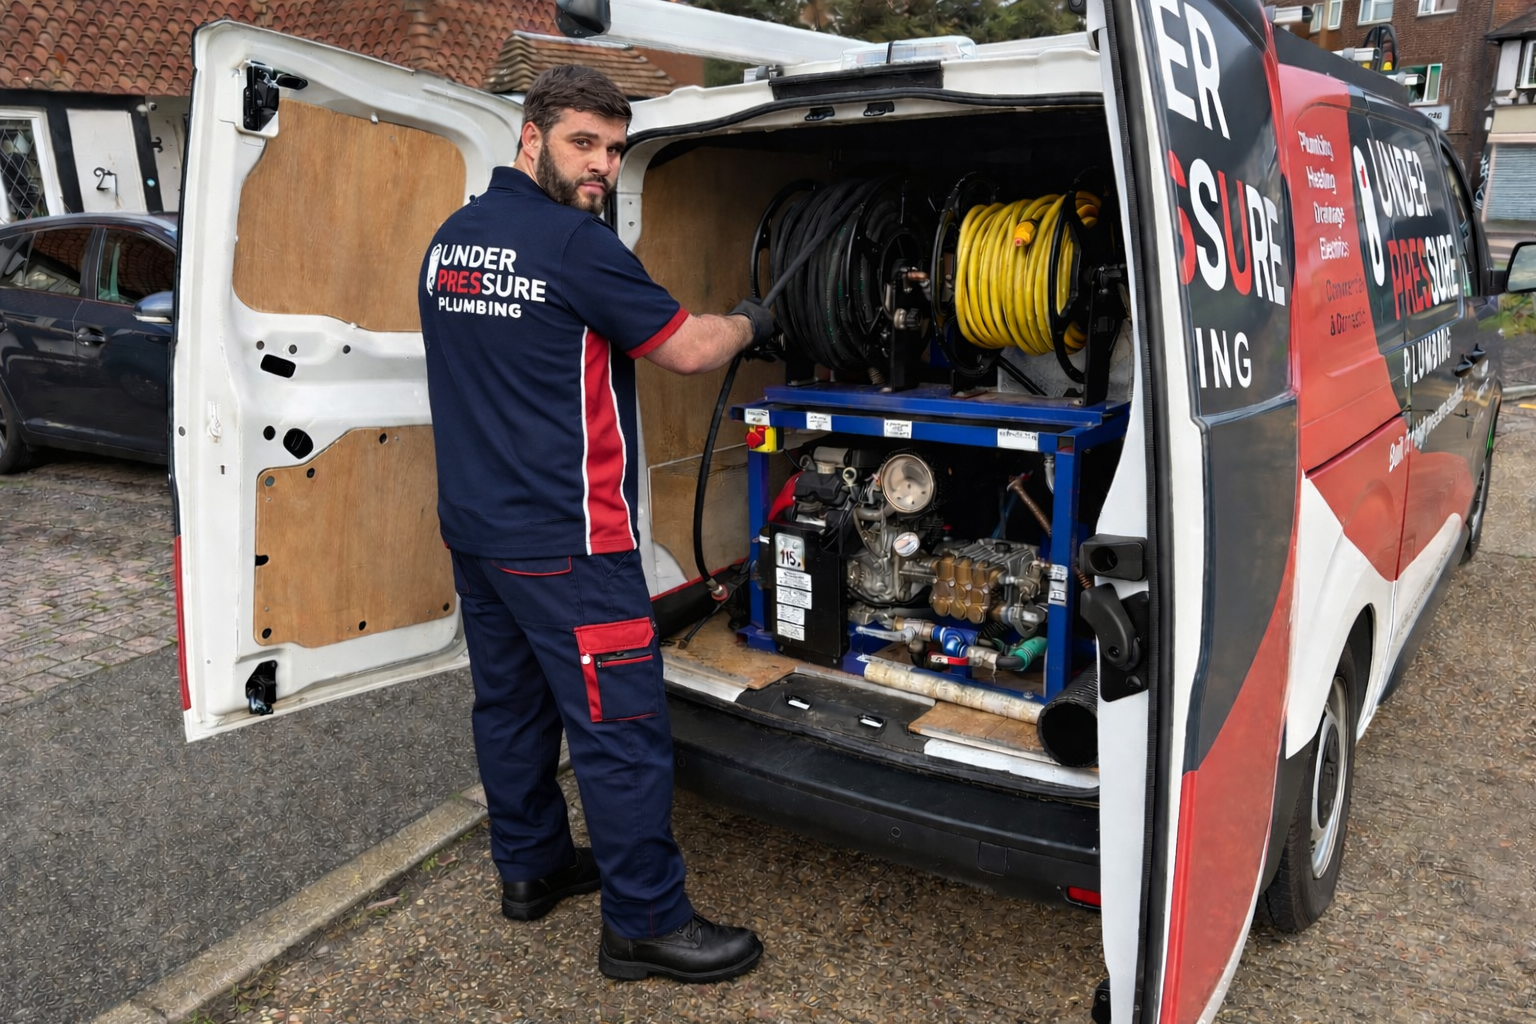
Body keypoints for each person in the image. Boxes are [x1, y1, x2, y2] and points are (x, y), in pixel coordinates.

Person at [416, 64, 775, 983]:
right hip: (573, 545)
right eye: (586, 143)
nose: (604, 167)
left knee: (512, 707)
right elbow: (690, 349)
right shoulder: (575, 247)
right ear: (529, 135)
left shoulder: (451, 243)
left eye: (615, 150)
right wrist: (748, 321)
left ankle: (530, 872)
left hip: (481, 537)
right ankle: (645, 925)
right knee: (621, 731)